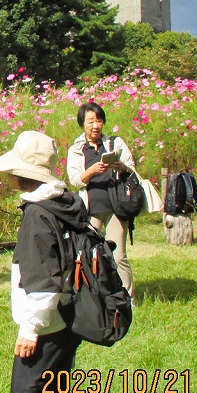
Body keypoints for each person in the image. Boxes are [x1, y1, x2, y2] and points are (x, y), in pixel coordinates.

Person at [0, 131, 88, 393]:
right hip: (71, 316)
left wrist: (30, 329)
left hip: (49, 323)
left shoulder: (38, 215)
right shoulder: (64, 202)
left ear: (22, 174)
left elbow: (43, 279)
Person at [66, 101, 136, 298]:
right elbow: (75, 180)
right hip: (91, 209)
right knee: (90, 252)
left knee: (118, 254)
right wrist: (92, 170)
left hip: (116, 206)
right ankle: (95, 294)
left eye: (98, 121)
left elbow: (131, 168)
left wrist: (119, 166)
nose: (95, 125)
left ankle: (127, 298)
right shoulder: (77, 149)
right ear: (82, 124)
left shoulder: (115, 143)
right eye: (90, 121)